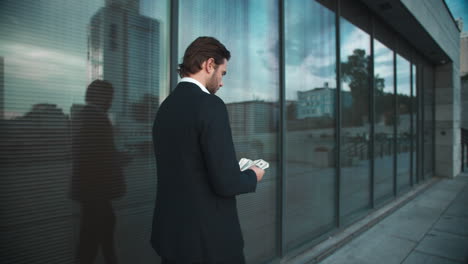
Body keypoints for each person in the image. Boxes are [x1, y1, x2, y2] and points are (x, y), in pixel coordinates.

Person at [151, 36, 265, 264]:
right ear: (209, 64)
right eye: (223, 73)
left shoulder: (165, 108)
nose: (222, 82)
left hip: (173, 238)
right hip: (209, 242)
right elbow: (226, 183)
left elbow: (187, 166)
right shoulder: (210, 105)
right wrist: (252, 174)